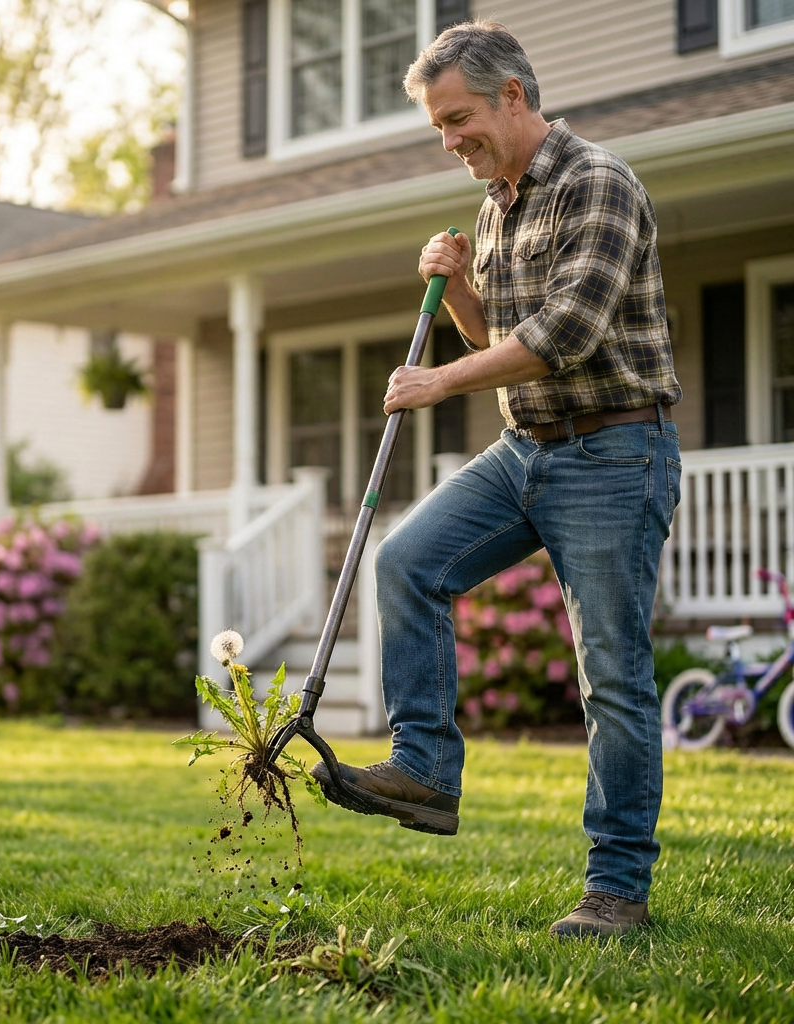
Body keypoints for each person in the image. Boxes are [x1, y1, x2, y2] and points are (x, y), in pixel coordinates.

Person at [310, 19, 682, 939]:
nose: (449, 141)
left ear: (513, 96)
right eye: (438, 125)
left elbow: (565, 337)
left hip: (614, 453)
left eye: (459, 118)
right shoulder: (495, 206)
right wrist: (462, 290)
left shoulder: (598, 182)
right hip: (527, 451)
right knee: (407, 562)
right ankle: (426, 769)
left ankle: (616, 891)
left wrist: (436, 382)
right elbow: (500, 337)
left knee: (612, 679)